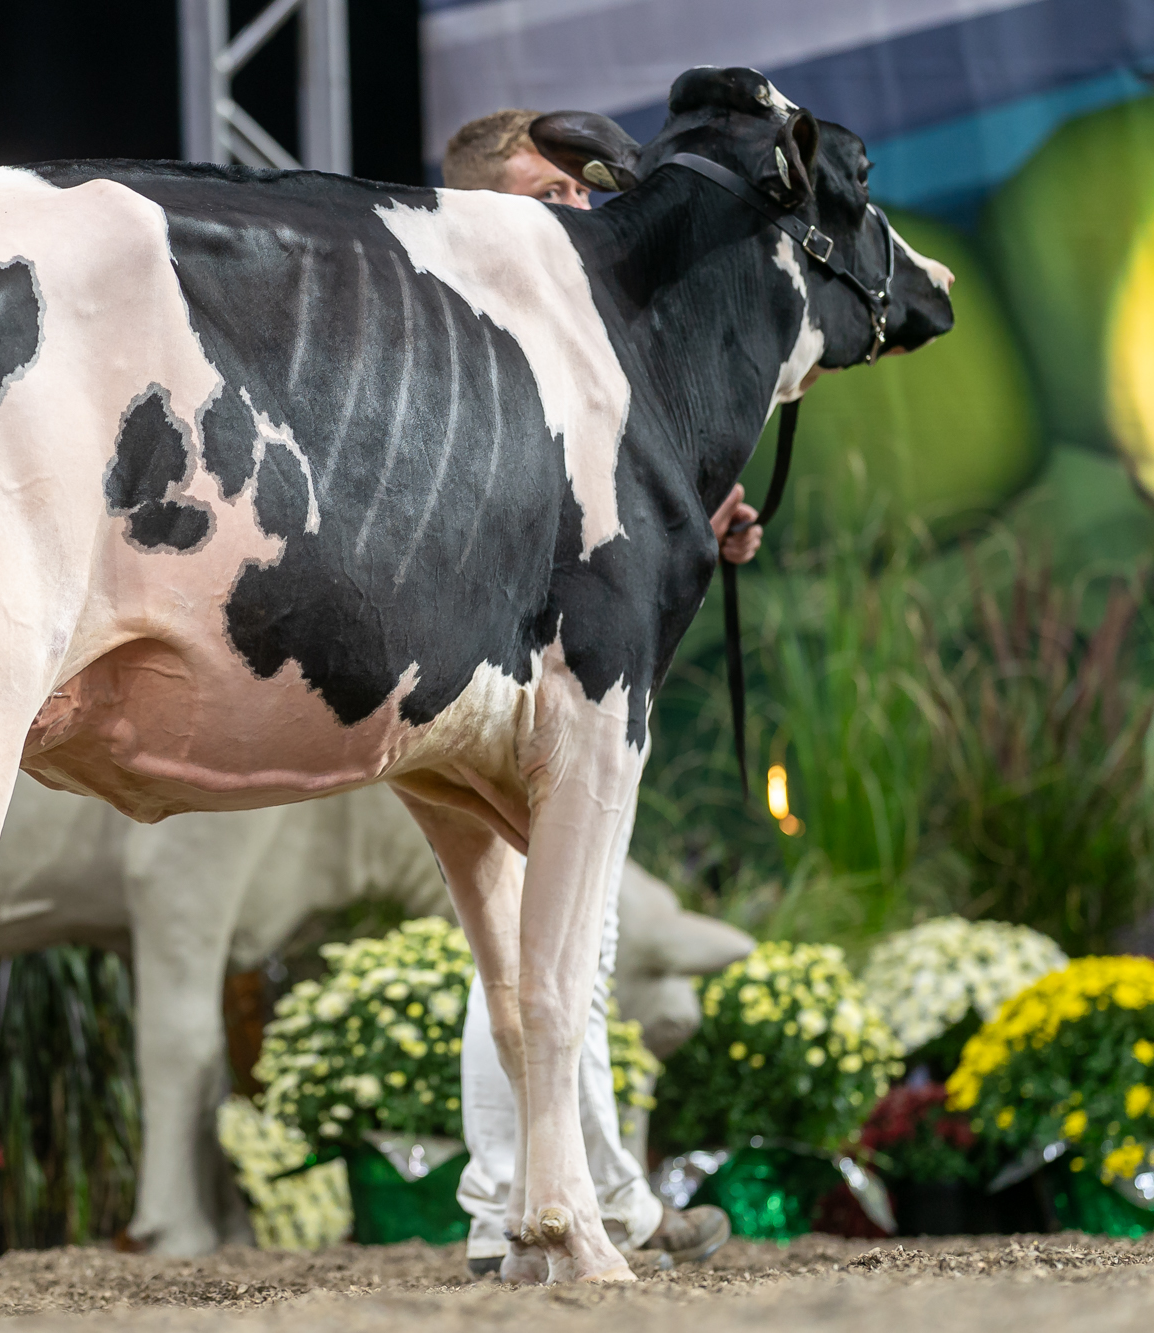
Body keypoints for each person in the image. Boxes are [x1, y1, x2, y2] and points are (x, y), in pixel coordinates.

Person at [441, 108, 763, 1279]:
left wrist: (689, 522)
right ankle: (513, 1201)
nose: (580, 211)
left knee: (555, 941)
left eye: (583, 193)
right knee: (537, 944)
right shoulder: (475, 324)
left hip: (531, 672)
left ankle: (585, 1197)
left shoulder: (564, 331)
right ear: (475, 206)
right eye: (550, 194)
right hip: (489, 679)